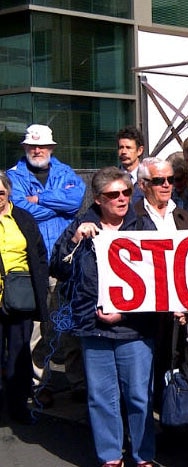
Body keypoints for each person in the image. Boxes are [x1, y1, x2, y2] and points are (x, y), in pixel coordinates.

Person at [50, 167, 156, 467]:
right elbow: (57, 267)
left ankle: (143, 454)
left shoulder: (143, 227)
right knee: (101, 397)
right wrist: (74, 242)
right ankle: (111, 456)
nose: (122, 199)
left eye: (126, 192)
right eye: (113, 194)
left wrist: (126, 312)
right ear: (98, 199)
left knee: (139, 396)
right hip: (92, 327)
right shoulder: (79, 226)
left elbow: (157, 278)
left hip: (134, 327)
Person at [6, 124, 86, 408]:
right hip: (36, 263)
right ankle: (39, 384)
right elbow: (20, 209)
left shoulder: (65, 172)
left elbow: (75, 202)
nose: (37, 150)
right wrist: (57, 205)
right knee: (41, 328)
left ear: (51, 148)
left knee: (73, 323)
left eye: (42, 146)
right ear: (25, 148)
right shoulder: (13, 177)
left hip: (67, 260)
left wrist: (39, 198)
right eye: (31, 146)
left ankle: (77, 381)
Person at [133, 157, 188, 410]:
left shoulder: (186, 218)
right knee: (143, 381)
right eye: (159, 180)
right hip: (144, 314)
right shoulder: (131, 218)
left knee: (175, 374)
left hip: (179, 315)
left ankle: (175, 426)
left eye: (171, 180)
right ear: (142, 185)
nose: (166, 185)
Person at [0, 170, 49, 425]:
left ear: (8, 192)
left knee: (19, 356)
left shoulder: (23, 218)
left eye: (0, 192)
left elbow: (40, 254)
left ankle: (18, 406)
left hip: (20, 297)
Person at [116, 126, 145, 204]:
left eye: (128, 148)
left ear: (139, 150)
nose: (123, 152)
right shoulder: (111, 179)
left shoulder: (148, 179)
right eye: (121, 147)